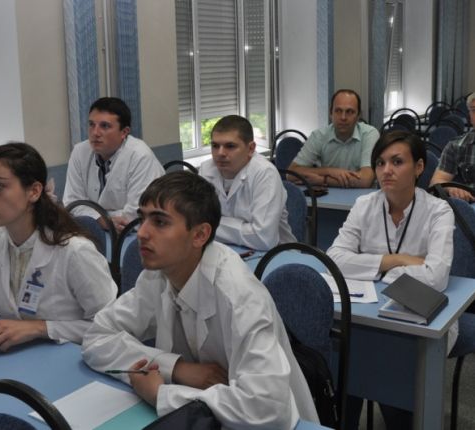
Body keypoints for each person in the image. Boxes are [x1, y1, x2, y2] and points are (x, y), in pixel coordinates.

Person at [81, 171, 318, 429]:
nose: (142, 233)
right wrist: (177, 368)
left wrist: (162, 395)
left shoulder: (239, 295)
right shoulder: (159, 276)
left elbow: (269, 407)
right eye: (142, 218)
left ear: (200, 235)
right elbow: (97, 337)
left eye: (159, 222)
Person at [327, 131, 455, 429]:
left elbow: (435, 278)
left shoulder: (438, 211)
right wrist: (398, 260)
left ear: (419, 167)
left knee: (392, 377)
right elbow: (334, 259)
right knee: (345, 366)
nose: (386, 170)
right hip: (367, 312)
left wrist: (371, 266)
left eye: (397, 162)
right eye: (380, 163)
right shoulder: (365, 205)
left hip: (422, 319)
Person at [0, 143, 117, 353]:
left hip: (73, 360)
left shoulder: (76, 251)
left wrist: (40, 328)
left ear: (34, 191)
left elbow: (111, 327)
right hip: (20, 360)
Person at [63, 97, 164, 232]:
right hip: (96, 231)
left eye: (105, 126)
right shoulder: (79, 152)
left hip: (138, 233)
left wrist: (96, 216)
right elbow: (72, 203)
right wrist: (102, 220)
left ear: (124, 132)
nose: (95, 133)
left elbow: (136, 215)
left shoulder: (140, 156)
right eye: (91, 124)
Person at [199, 115, 296, 250]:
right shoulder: (206, 169)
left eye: (230, 146)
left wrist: (212, 226)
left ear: (251, 149)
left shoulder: (265, 173)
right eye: (215, 146)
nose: (220, 153)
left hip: (275, 253)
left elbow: (264, 239)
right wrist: (246, 229)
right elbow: (197, 221)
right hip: (223, 250)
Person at [288, 89, 379, 188]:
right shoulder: (319, 136)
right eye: (338, 111)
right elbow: (291, 174)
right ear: (331, 114)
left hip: (364, 196)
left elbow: (365, 180)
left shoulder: (370, 134)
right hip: (329, 196)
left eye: (349, 112)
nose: (343, 117)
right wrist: (329, 171)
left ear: (358, 116)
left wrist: (323, 180)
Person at [430, 92, 475, 202]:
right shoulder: (456, 146)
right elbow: (436, 182)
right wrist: (451, 188)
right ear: (470, 116)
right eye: (474, 110)